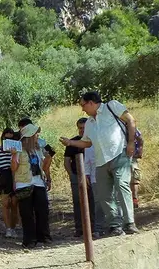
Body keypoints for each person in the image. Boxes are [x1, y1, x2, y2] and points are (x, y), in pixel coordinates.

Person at [60, 91, 140, 236]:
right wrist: (70, 142)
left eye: (83, 105)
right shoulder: (89, 122)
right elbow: (87, 142)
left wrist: (130, 143)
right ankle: (115, 225)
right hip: (101, 161)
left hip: (119, 154)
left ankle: (129, 223)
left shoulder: (112, 106)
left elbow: (130, 120)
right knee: (104, 195)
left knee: (122, 186)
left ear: (91, 103)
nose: (82, 109)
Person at [12, 124, 52, 248]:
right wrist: (13, 155)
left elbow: (46, 162)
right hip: (24, 183)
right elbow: (13, 168)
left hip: (39, 182)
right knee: (26, 213)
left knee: (43, 210)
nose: (37, 136)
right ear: (29, 136)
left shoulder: (39, 148)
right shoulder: (18, 150)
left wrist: (48, 176)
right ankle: (29, 240)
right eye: (35, 134)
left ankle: (44, 237)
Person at [63, 117, 100, 239]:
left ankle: (95, 228)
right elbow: (67, 160)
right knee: (78, 202)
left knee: (93, 201)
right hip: (77, 176)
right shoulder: (72, 142)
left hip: (93, 175)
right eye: (79, 128)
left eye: (84, 128)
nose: (81, 130)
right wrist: (71, 175)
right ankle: (80, 229)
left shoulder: (94, 140)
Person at [0, 128, 19, 239]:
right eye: (6, 138)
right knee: (5, 204)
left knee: (14, 203)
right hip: (3, 177)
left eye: (11, 138)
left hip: (15, 175)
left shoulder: (17, 150)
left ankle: (13, 227)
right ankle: (8, 228)